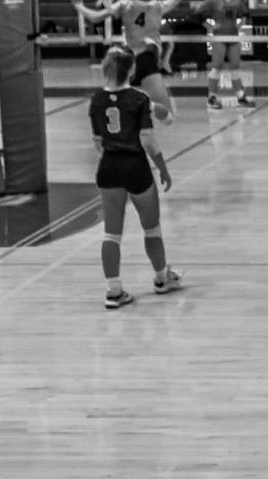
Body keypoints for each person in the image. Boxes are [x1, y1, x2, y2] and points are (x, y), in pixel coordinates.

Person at [89, 46, 183, 309]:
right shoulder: (139, 100)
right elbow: (148, 140)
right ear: (131, 70)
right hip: (135, 167)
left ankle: (114, 291)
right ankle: (162, 278)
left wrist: (112, 150)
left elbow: (97, 142)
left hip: (108, 167)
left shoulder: (96, 100)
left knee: (111, 234)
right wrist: (162, 167)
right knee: (151, 228)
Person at [73, 0, 180, 124]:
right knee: (167, 117)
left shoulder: (124, 4)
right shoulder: (158, 5)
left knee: (121, 103)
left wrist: (78, 6)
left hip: (128, 62)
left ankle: (128, 106)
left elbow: (95, 17)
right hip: (146, 60)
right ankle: (143, 104)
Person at [196, 0, 254, 109]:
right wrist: (210, 26)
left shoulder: (237, 2)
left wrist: (240, 23)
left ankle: (241, 96)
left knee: (235, 66)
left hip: (233, 37)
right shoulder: (212, 2)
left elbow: (246, 14)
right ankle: (211, 98)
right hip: (219, 37)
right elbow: (196, 16)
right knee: (217, 66)